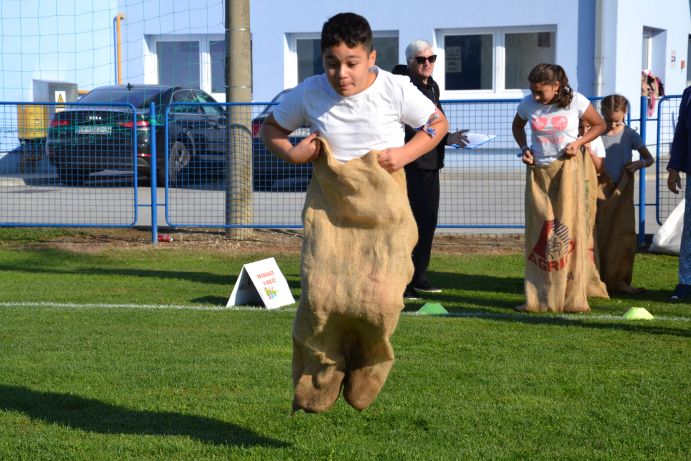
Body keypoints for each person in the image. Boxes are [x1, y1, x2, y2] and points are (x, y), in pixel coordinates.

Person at [260, 12, 449, 412]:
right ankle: (322, 376)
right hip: (331, 214)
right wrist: (295, 153)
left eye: (351, 63)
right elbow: (270, 130)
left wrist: (405, 153)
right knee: (321, 299)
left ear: (371, 58)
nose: (341, 74)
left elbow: (437, 123)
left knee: (382, 300)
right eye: (332, 63)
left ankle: (367, 366)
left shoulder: (395, 88)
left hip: (385, 216)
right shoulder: (310, 92)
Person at [512, 63, 606, 312]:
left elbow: (599, 125)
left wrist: (579, 142)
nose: (535, 96)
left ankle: (571, 293)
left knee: (568, 229)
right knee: (541, 231)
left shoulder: (576, 101)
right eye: (532, 90)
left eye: (540, 91)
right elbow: (517, 127)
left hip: (567, 170)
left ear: (557, 86)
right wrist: (524, 150)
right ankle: (539, 295)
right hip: (538, 172)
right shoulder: (527, 104)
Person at [392, 39, 469, 300]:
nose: (427, 64)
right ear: (410, 62)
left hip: (431, 164)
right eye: (421, 60)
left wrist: (449, 137)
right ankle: (403, 280)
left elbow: (435, 125)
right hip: (410, 165)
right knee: (408, 224)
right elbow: (413, 126)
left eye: (431, 59)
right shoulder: (404, 87)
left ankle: (418, 276)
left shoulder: (432, 86)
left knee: (427, 222)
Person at [596, 94, 654, 294]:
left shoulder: (630, 135)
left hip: (621, 190)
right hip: (599, 189)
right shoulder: (596, 133)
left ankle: (620, 280)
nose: (612, 125)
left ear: (625, 115)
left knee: (622, 234)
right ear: (602, 114)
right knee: (599, 234)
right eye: (609, 120)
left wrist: (640, 163)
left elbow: (649, 158)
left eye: (618, 121)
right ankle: (597, 278)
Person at [667, 85, 691, 301]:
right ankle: (686, 283)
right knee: (690, 229)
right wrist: (673, 168)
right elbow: (682, 133)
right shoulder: (689, 93)